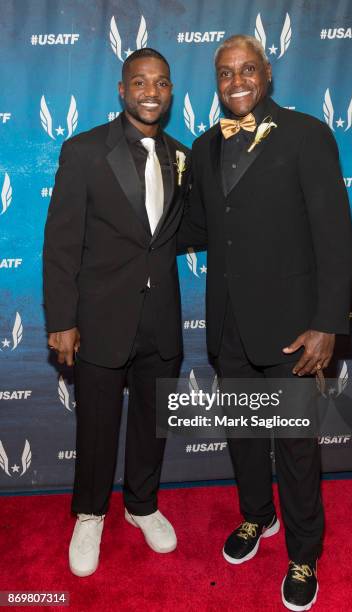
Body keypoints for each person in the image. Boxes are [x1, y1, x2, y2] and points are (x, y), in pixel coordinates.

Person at [178, 35, 352, 611]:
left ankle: (305, 552)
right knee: (245, 438)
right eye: (225, 73)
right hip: (228, 326)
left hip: (292, 330)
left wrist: (328, 321)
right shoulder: (204, 148)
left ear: (268, 72)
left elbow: (333, 237)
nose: (237, 82)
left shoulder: (308, 135)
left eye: (247, 69)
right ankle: (258, 517)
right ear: (216, 80)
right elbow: (198, 230)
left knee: (297, 449)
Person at [43, 48, 190, 577]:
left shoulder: (181, 154)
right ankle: (89, 514)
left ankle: (142, 504)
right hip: (100, 316)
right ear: (122, 90)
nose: (151, 91)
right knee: (97, 424)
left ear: (171, 92)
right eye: (140, 82)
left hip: (163, 318)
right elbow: (61, 243)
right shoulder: (83, 152)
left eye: (162, 83)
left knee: (154, 420)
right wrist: (62, 319)